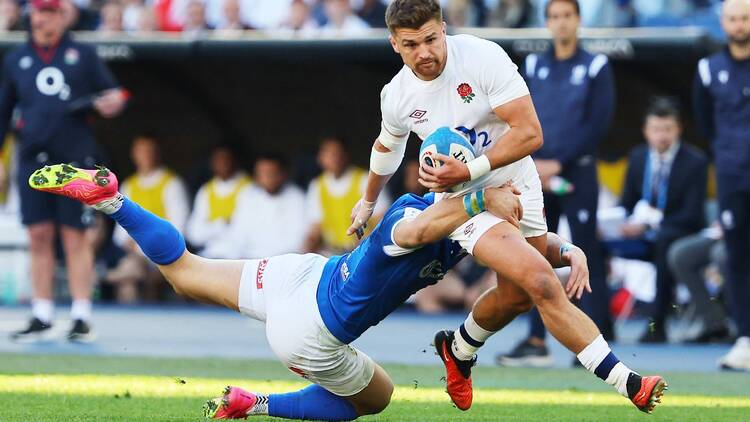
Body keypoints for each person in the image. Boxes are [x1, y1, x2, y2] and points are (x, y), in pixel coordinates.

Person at [29, 162, 591, 420]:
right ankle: (254, 404)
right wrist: (482, 202)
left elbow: (513, 241)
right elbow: (428, 231)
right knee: (377, 398)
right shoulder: (426, 218)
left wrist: (567, 251)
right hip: (310, 327)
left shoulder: (445, 210)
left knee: (184, 270)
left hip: (306, 273)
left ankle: (113, 203)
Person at [347, 0, 666, 412]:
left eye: (430, 39)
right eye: (410, 45)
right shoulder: (398, 95)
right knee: (541, 280)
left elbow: (530, 133)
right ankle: (629, 383)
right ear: (394, 43)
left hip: (517, 180)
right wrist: (368, 200)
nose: (423, 52)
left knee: (516, 297)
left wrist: (473, 170)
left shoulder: (482, 56)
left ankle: (458, 347)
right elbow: (386, 148)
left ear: (443, 28)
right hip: (461, 201)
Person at [0, 0, 126, 342]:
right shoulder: (15, 59)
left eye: (53, 11)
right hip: (31, 160)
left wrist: (113, 102)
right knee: (38, 235)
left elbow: (113, 93)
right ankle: (41, 313)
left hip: (74, 161)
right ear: (32, 17)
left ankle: (81, 315)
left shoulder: (83, 55)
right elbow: (3, 111)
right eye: (41, 11)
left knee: (75, 236)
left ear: (62, 16)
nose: (46, 18)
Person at [499, 0, 615, 367]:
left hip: (576, 172)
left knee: (586, 250)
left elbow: (598, 123)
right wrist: (536, 163)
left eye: (567, 16)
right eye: (554, 16)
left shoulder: (596, 65)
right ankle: (536, 340)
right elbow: (521, 116)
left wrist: (558, 162)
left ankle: (596, 339)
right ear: (546, 22)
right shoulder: (534, 64)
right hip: (536, 171)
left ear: (578, 20)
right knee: (534, 249)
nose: (561, 23)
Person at [619, 98, 708, 343]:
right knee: (596, 237)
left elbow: (692, 214)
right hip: (640, 229)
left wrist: (650, 224)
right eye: (656, 129)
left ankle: (657, 324)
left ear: (678, 129)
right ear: (646, 131)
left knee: (664, 239)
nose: (662, 136)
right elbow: (626, 203)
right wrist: (622, 222)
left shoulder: (695, 161)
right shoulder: (637, 157)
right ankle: (599, 324)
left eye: (667, 129)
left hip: (679, 230)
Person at [693, 0, 750, 371]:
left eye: (745, 17)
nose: (739, 25)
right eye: (732, 18)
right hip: (732, 177)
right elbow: (705, 123)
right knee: (737, 258)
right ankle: (745, 338)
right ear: (722, 22)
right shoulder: (708, 68)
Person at [109, 135, 190, 302]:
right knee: (128, 282)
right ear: (133, 154)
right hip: (137, 258)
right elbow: (119, 235)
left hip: (166, 255)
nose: (145, 155)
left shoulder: (171, 183)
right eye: (141, 151)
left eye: (149, 151)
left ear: (157, 153)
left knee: (129, 271)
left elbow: (178, 230)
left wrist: (143, 246)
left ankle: (107, 277)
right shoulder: (128, 185)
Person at [304, 136, 389, 254]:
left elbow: (382, 220)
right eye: (329, 154)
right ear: (320, 158)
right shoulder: (317, 186)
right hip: (332, 253)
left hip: (364, 250)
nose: (334, 158)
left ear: (346, 155)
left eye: (337, 153)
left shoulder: (366, 180)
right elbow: (316, 227)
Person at [219, 152, 307, 259]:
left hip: (284, 261)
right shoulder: (248, 195)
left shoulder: (297, 197)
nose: (267, 177)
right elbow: (238, 233)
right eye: (262, 173)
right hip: (250, 260)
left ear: (283, 174)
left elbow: (299, 240)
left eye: (272, 173)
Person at [187, 146, 251, 258]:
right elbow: (193, 234)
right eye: (218, 160)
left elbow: (245, 233)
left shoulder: (249, 187)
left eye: (226, 159)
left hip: (240, 256)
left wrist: (210, 228)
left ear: (235, 161)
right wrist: (223, 223)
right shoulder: (206, 190)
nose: (222, 164)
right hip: (210, 254)